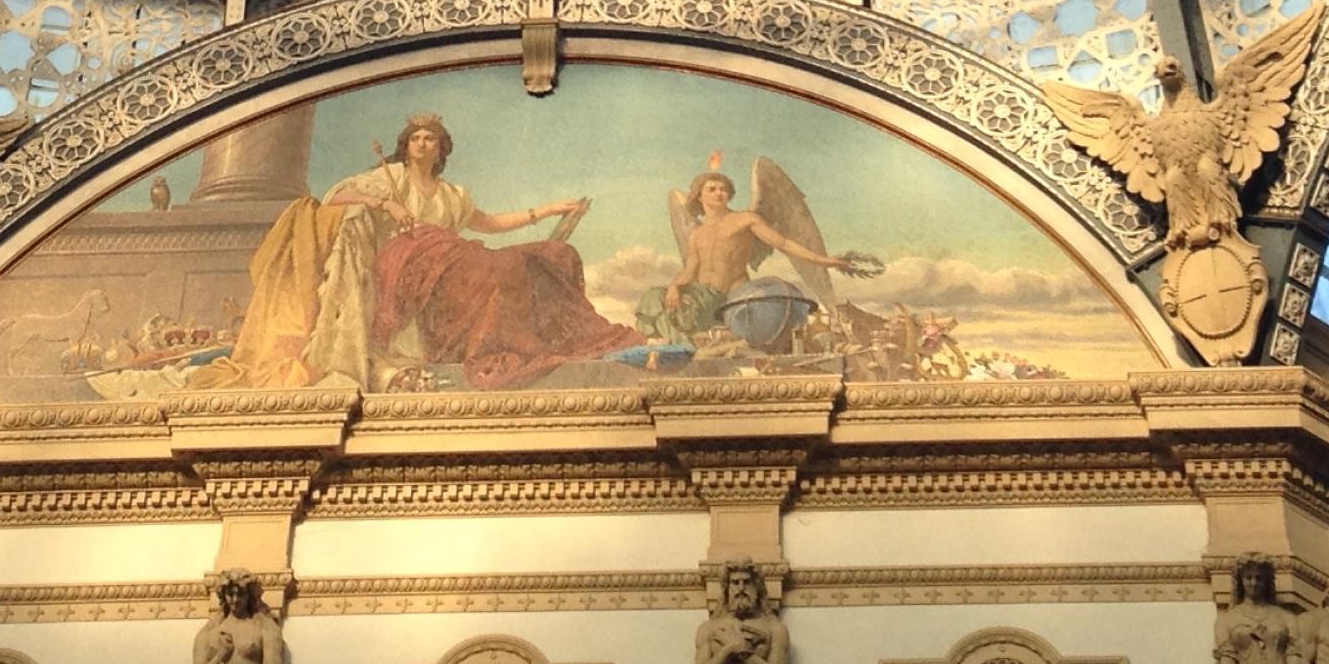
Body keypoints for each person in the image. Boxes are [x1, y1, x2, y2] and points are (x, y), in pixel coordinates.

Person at [222, 115, 621, 389]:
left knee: (547, 255)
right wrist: (385, 204)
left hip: (452, 263)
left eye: (430, 137)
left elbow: (491, 224)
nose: (422, 143)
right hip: (409, 270)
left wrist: (549, 210)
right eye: (415, 137)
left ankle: (551, 337)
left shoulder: (451, 195)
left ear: (441, 147)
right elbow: (335, 196)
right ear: (405, 146)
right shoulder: (390, 178)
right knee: (501, 266)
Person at [645, 156, 883, 341]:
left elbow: (784, 243)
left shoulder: (745, 220)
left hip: (733, 295)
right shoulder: (697, 234)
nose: (720, 193)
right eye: (712, 189)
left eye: (723, 189)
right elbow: (690, 269)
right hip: (702, 297)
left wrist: (824, 261)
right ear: (698, 196)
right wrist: (675, 286)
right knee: (654, 298)